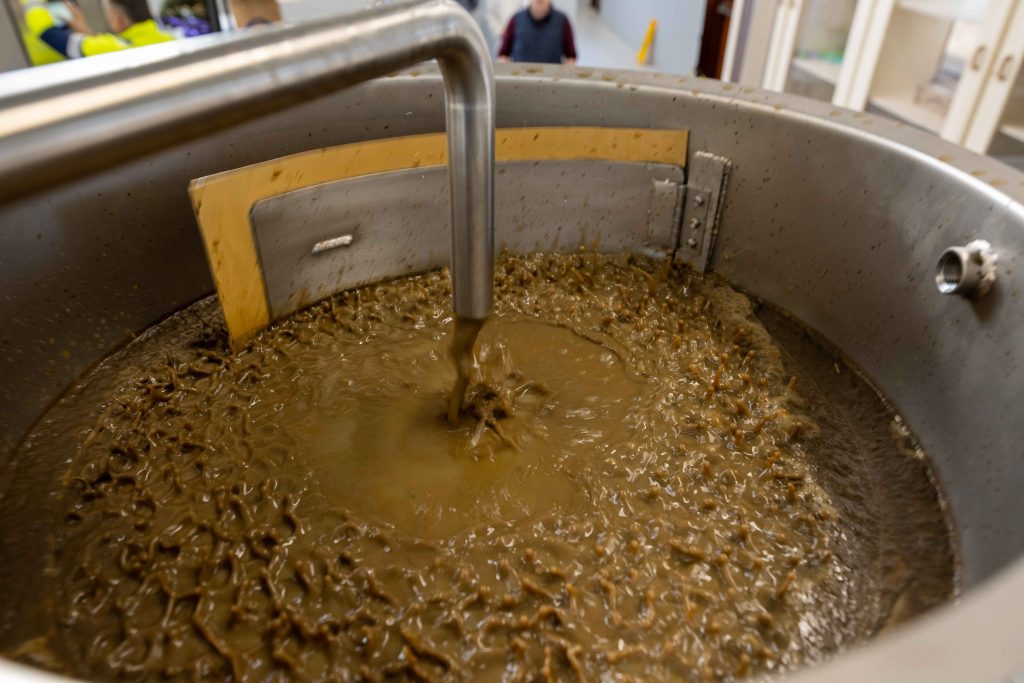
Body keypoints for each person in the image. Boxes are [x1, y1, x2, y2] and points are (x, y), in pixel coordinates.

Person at [21, 0, 174, 61]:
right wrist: (87, 32)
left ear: (117, 17)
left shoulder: (112, 47)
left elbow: (48, 34)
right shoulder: (169, 39)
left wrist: (31, 4)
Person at [497, 0, 576, 65]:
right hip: (519, 82)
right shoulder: (515, 19)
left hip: (552, 81)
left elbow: (571, 57)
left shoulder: (562, 21)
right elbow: (503, 55)